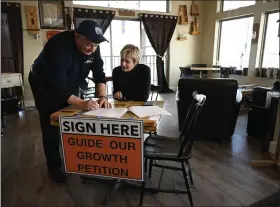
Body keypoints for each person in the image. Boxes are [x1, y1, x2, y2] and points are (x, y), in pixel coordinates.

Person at [28, 20, 110, 183]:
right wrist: (81, 103)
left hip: (70, 81)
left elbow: (99, 72)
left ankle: (79, 161)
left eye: (95, 45)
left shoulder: (94, 47)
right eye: (88, 44)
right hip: (44, 85)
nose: (92, 49)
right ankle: (54, 167)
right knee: (51, 122)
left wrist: (102, 97)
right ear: (77, 37)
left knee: (75, 119)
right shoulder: (58, 46)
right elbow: (57, 86)